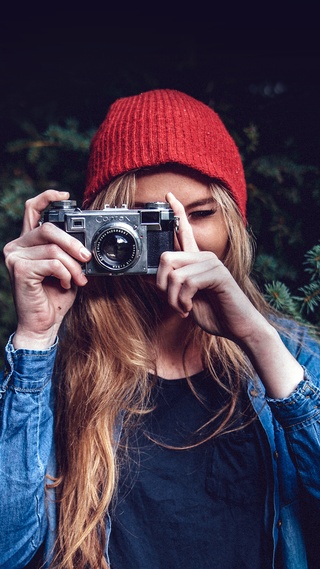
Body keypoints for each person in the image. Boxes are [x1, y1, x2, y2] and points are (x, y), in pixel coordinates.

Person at [0, 89, 320, 569]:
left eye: (200, 214)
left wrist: (258, 339)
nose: (177, 240)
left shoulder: (290, 355)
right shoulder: (47, 368)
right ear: (101, 227)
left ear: (233, 220)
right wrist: (35, 340)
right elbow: (9, 550)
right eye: (147, 219)